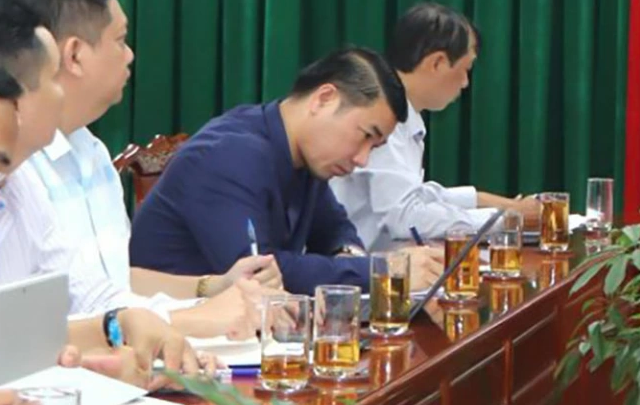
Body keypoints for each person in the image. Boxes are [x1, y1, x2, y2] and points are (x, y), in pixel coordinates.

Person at [0, 0, 253, 350]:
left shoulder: (20, 181)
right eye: (50, 79)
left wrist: (193, 310)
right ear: (4, 96)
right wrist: (179, 321)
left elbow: (86, 293)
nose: (60, 95)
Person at [8, 0, 281, 307]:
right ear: (74, 55)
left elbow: (114, 280)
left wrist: (214, 287)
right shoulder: (17, 166)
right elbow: (59, 313)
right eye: (120, 41)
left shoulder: (90, 150)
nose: (130, 55)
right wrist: (198, 318)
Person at [130, 47, 443, 294]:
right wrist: (382, 270)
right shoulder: (230, 154)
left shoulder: (306, 156)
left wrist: (348, 256)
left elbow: (335, 230)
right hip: (171, 340)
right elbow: (261, 271)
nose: (362, 159)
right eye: (365, 136)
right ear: (324, 99)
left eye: (375, 147)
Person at [331, 3, 538, 250]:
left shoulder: (405, 117)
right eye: (465, 70)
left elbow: (416, 196)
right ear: (437, 62)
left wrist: (495, 204)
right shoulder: (382, 119)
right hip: (364, 274)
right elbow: (407, 218)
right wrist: (507, 220)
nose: (464, 83)